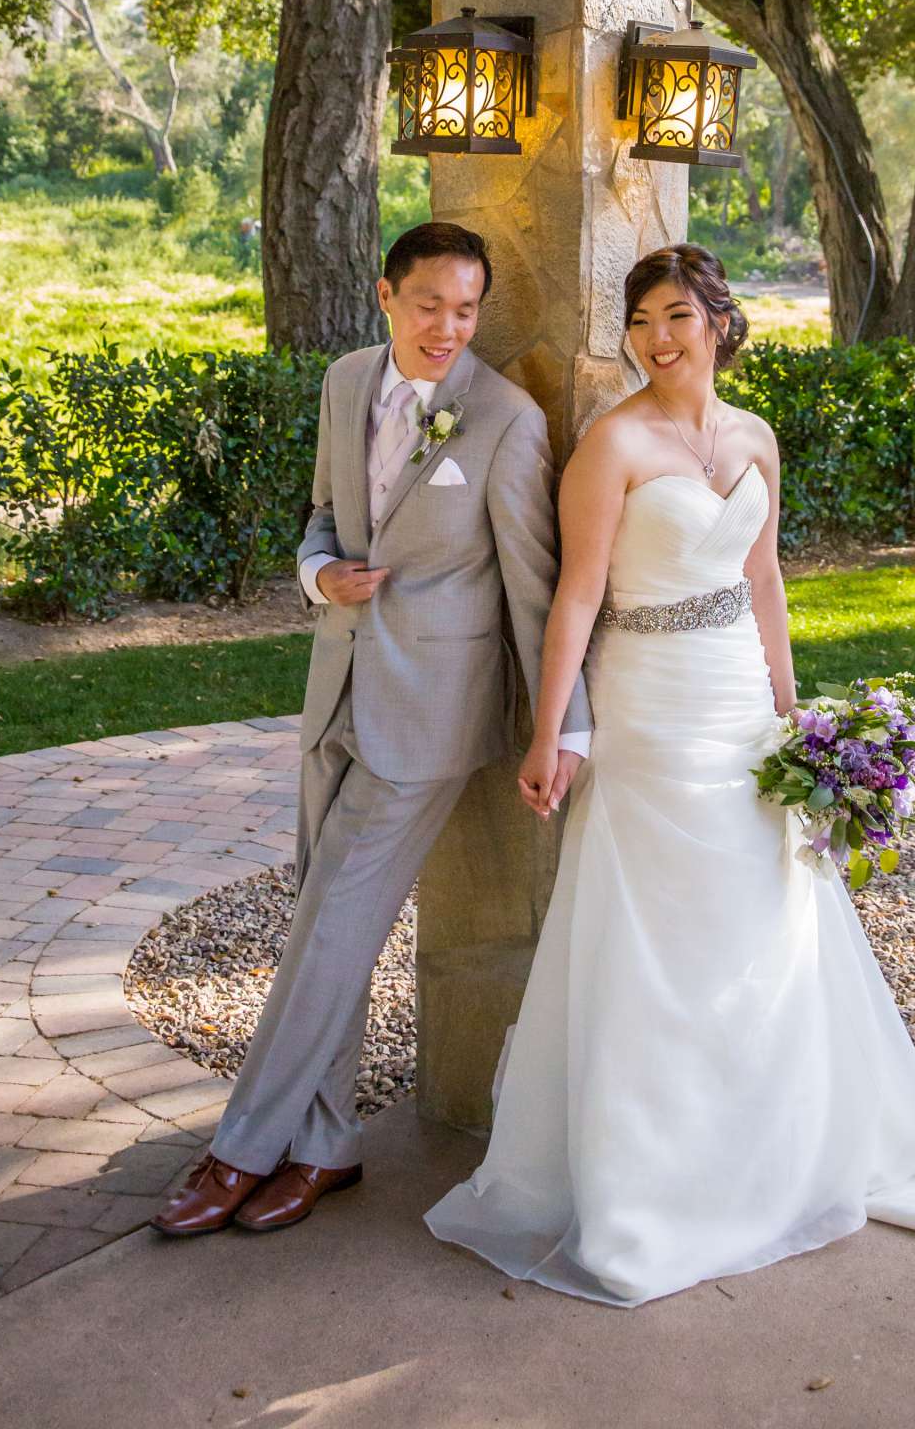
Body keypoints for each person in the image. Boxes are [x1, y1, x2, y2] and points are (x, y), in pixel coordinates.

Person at [425, 241, 915, 1306]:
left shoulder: (755, 437)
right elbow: (573, 598)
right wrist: (551, 733)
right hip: (650, 705)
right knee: (664, 932)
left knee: (764, 919)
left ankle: (778, 1143)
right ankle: (654, 1179)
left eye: (677, 318)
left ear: (717, 321)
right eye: (643, 321)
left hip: (741, 703)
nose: (658, 340)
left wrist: (794, 719)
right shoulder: (610, 447)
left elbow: (764, 582)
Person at [151, 220, 591, 1239]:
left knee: (333, 923)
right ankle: (324, 1146)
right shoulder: (345, 383)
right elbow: (319, 520)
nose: (449, 327)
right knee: (323, 923)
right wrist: (319, 577)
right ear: (386, 296)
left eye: (468, 309)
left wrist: (558, 729)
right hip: (336, 688)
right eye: (431, 304)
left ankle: (240, 1149)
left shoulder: (505, 420)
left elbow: (535, 589)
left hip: (430, 718)